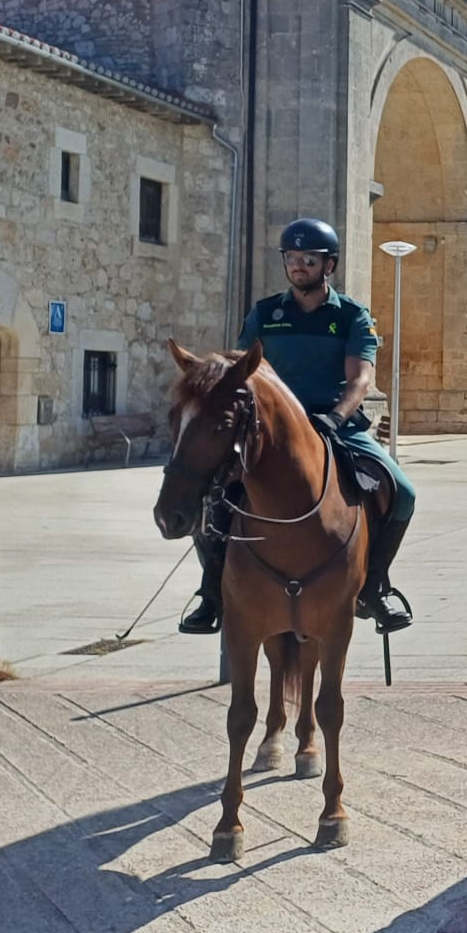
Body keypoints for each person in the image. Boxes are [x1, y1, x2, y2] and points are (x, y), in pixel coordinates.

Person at [179, 218, 415, 636]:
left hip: (334, 422)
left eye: (309, 259)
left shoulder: (352, 316)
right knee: (212, 494)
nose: (299, 266)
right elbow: (241, 369)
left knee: (403, 493)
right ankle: (211, 591)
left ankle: (374, 586)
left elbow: (360, 378)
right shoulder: (265, 314)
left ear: (330, 265)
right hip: (267, 430)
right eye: (292, 258)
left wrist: (337, 416)